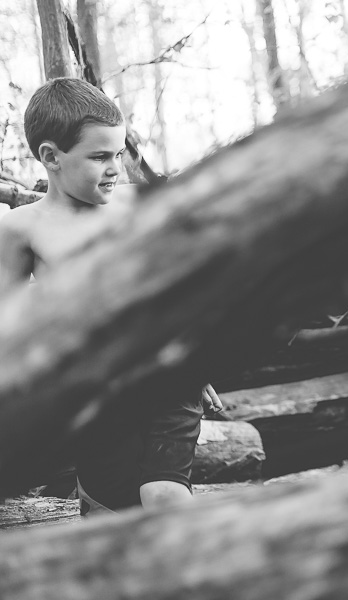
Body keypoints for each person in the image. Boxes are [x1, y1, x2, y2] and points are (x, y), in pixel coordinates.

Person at [0, 77, 222, 515]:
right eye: (100, 156)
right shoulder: (22, 229)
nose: (115, 168)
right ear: (51, 157)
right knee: (112, 511)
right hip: (95, 390)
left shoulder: (136, 204)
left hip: (167, 376)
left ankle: (195, 576)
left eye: (119, 153)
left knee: (163, 496)